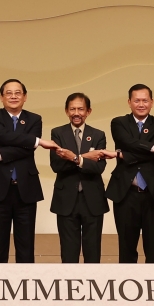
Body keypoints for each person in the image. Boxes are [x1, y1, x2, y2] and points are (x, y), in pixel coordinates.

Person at [0, 79, 59, 263]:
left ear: (25, 96)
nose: (13, 96)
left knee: (26, 244)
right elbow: (1, 136)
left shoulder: (34, 119)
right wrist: (37, 141)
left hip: (26, 188)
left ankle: (25, 285)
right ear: (1, 97)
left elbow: (26, 150)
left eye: (18, 92)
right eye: (9, 93)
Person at [105, 84, 154, 264]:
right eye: (137, 100)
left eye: (145, 100)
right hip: (125, 193)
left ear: (152, 102)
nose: (141, 104)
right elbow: (127, 142)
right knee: (126, 247)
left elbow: (141, 151)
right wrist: (152, 147)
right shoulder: (118, 122)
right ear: (129, 102)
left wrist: (122, 154)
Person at [49, 93, 111, 263]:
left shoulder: (98, 135)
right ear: (66, 111)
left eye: (81, 109)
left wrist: (74, 157)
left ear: (88, 111)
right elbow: (57, 165)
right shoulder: (58, 133)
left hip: (92, 198)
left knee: (93, 251)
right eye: (72, 109)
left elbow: (99, 167)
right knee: (69, 252)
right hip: (66, 198)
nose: (76, 113)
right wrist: (85, 158)